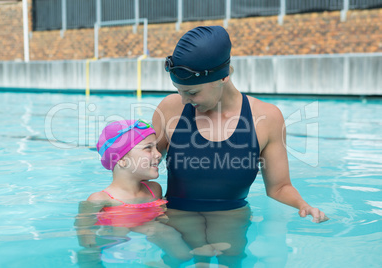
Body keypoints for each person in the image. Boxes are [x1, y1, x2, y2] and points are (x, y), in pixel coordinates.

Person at [152, 26, 328, 267]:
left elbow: (279, 187)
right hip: (177, 219)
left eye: (192, 92)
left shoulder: (267, 118)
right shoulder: (170, 108)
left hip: (231, 220)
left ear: (225, 76)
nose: (184, 100)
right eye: (179, 91)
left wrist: (304, 206)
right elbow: (145, 164)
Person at [75, 119, 192, 267]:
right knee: (119, 232)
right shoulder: (100, 199)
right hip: (115, 251)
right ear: (122, 160)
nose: (158, 155)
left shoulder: (154, 190)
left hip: (145, 247)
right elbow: (84, 234)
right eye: (148, 148)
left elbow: (163, 220)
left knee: (184, 254)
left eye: (156, 148)